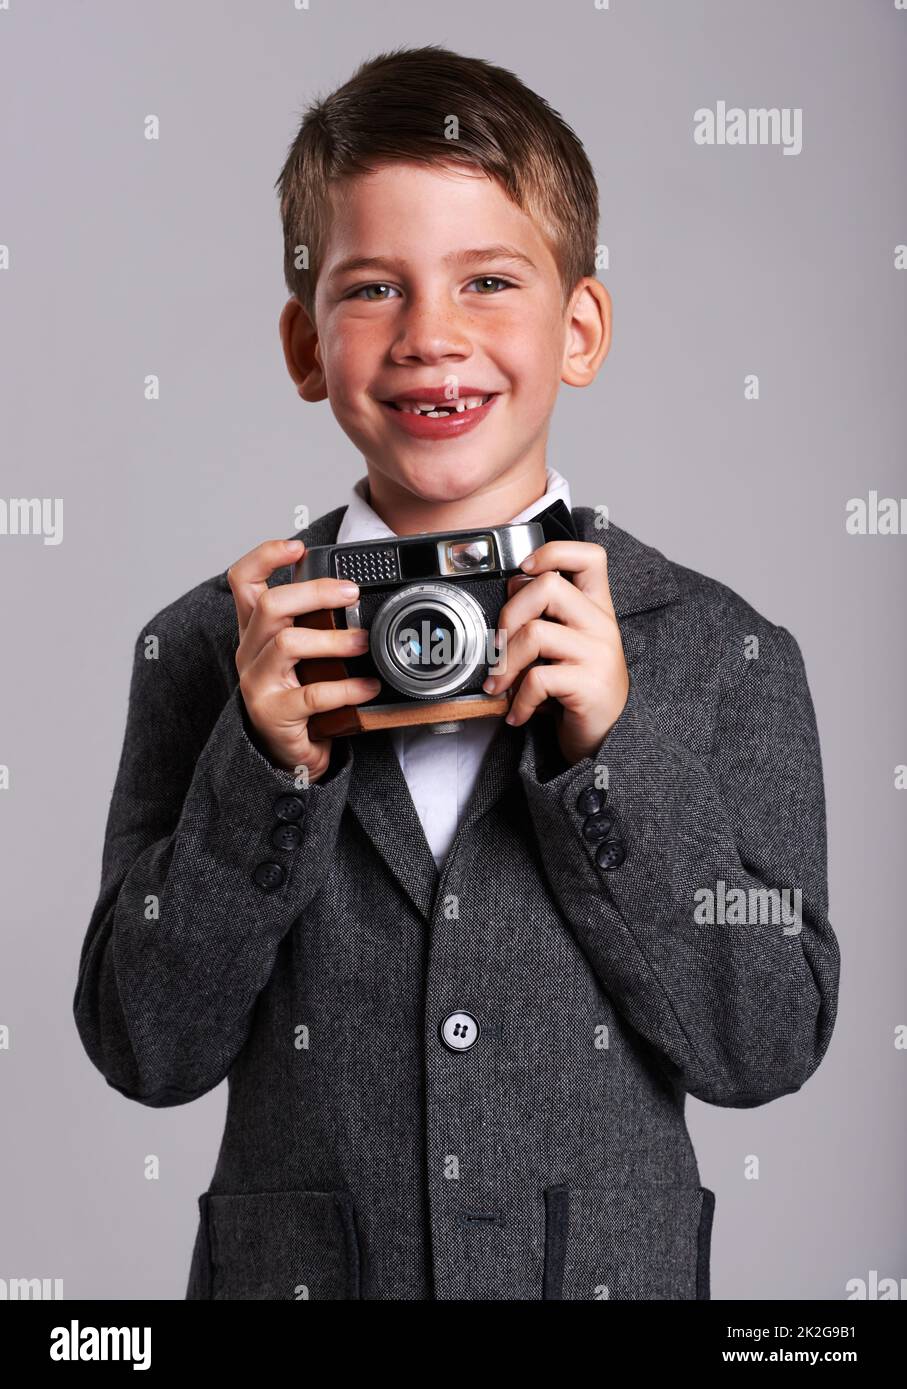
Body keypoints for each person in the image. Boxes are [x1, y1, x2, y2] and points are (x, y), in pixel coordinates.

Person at [73, 44, 840, 1301]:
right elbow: (144, 1044)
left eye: (489, 280)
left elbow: (766, 1042)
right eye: (372, 288)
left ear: (579, 327)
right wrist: (259, 767)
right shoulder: (213, 646)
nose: (434, 337)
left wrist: (616, 761)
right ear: (305, 345)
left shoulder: (717, 648)